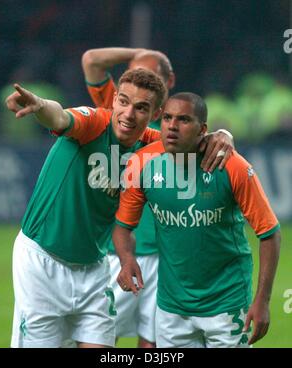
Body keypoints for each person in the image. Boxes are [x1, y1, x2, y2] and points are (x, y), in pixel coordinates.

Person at [6, 69, 231, 348]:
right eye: (123, 102)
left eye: (141, 108)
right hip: (42, 261)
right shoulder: (93, 123)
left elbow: (196, 140)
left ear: (156, 114)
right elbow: (60, 116)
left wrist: (224, 134)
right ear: (114, 100)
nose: (128, 113)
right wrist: (40, 105)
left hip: (94, 268)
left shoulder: (152, 144)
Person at [82, 47, 234, 347]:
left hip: (167, 258)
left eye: (151, 76)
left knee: (154, 343)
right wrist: (138, 51)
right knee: (96, 336)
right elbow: (91, 61)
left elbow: (213, 141)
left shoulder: (180, 127)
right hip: (118, 252)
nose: (142, 81)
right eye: (134, 75)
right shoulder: (124, 116)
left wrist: (225, 134)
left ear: (169, 81)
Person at [112, 92, 281, 348]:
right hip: (172, 308)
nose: (172, 126)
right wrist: (126, 259)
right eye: (167, 118)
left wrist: (263, 301)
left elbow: (269, 232)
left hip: (227, 304)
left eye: (183, 120)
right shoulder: (142, 164)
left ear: (202, 129)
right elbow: (123, 227)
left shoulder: (232, 166)